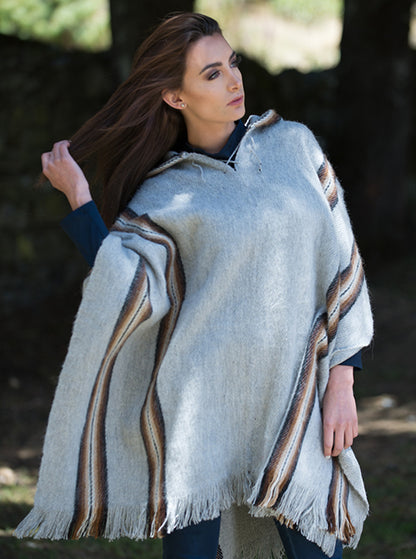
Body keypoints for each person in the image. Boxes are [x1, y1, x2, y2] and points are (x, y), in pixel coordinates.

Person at [15, 12, 373, 559]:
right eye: (212, 73)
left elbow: (342, 261)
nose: (234, 81)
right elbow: (127, 286)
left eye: (232, 63)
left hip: (296, 398)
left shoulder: (295, 147)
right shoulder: (166, 193)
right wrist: (80, 200)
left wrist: (342, 383)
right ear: (175, 97)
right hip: (195, 413)